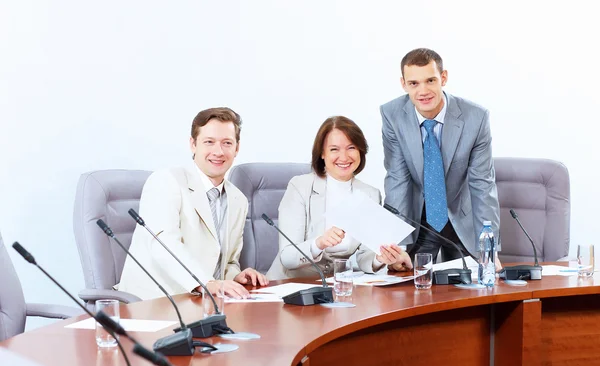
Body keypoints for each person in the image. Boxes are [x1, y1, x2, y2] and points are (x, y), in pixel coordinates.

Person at [118, 107, 268, 300]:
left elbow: (227, 260)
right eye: (209, 142)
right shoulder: (166, 182)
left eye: (227, 143)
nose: (218, 151)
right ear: (193, 144)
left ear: (237, 148)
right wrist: (207, 283)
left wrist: (235, 276)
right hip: (155, 302)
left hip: (204, 303)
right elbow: (164, 246)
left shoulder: (237, 199)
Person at [380, 48, 501, 265]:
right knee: (408, 286)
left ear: (443, 78)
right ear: (403, 84)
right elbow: (397, 180)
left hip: (462, 218)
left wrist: (489, 249)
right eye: (414, 83)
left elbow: (483, 186)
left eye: (430, 80)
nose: (423, 91)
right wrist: (396, 245)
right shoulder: (392, 115)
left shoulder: (476, 118)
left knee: (475, 288)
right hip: (421, 220)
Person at [267, 116, 412, 280]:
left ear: (360, 151)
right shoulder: (300, 187)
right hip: (290, 285)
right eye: (334, 149)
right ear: (322, 153)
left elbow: (364, 255)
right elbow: (287, 257)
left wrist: (380, 258)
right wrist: (319, 243)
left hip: (337, 286)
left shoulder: (370, 193)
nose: (344, 157)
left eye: (351, 147)